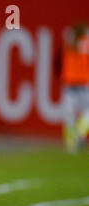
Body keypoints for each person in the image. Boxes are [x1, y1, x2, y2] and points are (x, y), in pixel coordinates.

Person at [59, 22, 89, 153]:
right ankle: (80, 132)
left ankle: (71, 144)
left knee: (69, 117)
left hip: (70, 85)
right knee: (86, 113)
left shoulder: (68, 41)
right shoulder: (84, 42)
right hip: (83, 84)